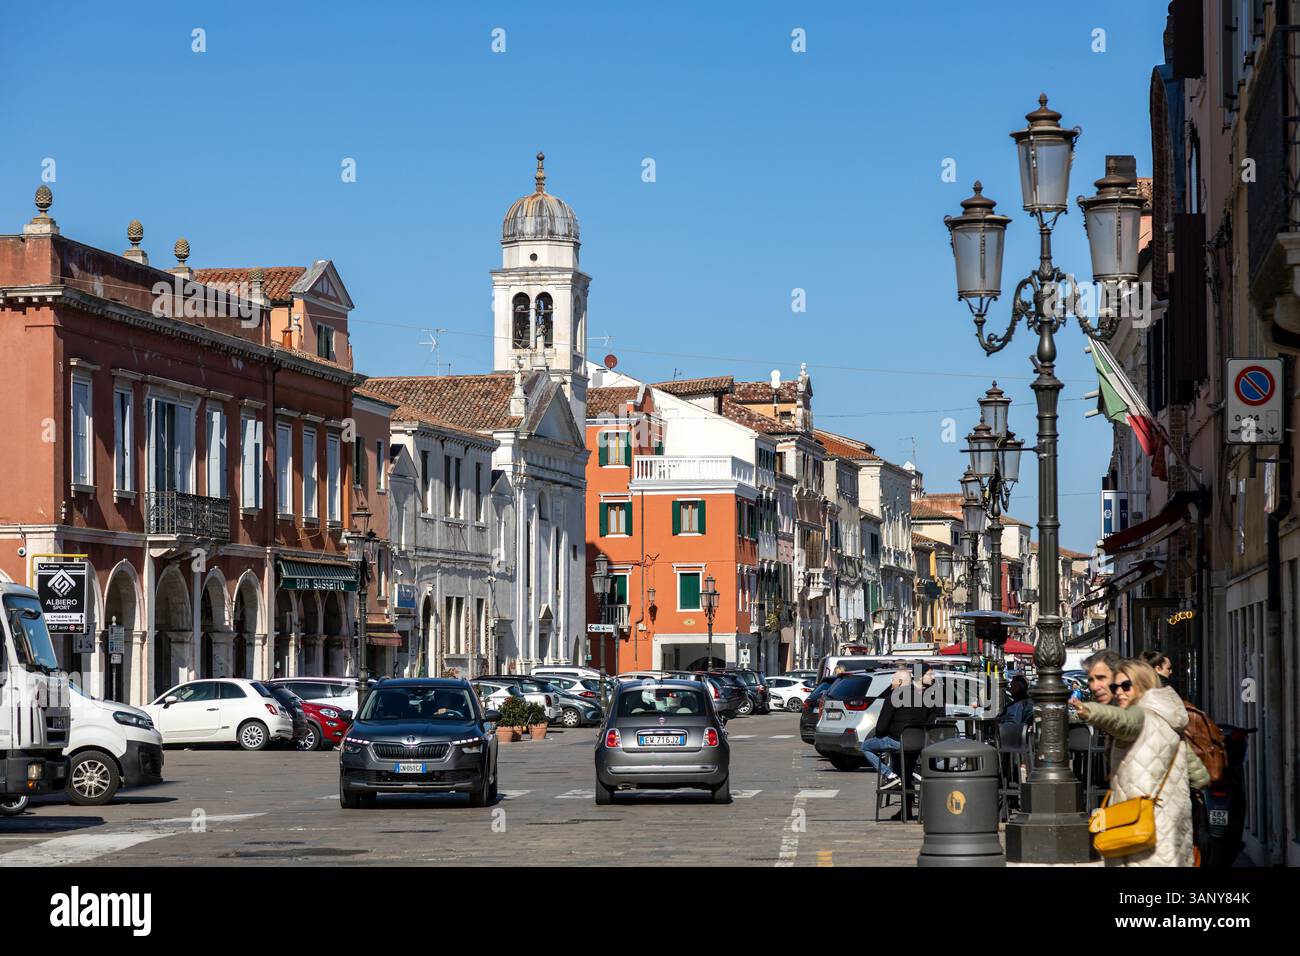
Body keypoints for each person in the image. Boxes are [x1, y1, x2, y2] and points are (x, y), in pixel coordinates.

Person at [1069, 659, 1210, 867]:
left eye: (1126, 686)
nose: (1119, 692)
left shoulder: (1140, 715)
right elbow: (1200, 776)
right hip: (1172, 830)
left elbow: (1122, 720)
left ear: (1143, 685)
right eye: (1115, 687)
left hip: (1141, 831)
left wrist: (1090, 711)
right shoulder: (1169, 719)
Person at [862, 670, 937, 794]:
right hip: (919, 742)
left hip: (898, 741)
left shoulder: (892, 698)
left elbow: (881, 728)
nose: (892, 684)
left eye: (893, 681)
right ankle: (903, 795)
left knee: (866, 747)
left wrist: (883, 735)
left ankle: (890, 775)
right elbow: (929, 720)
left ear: (900, 682)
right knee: (902, 766)